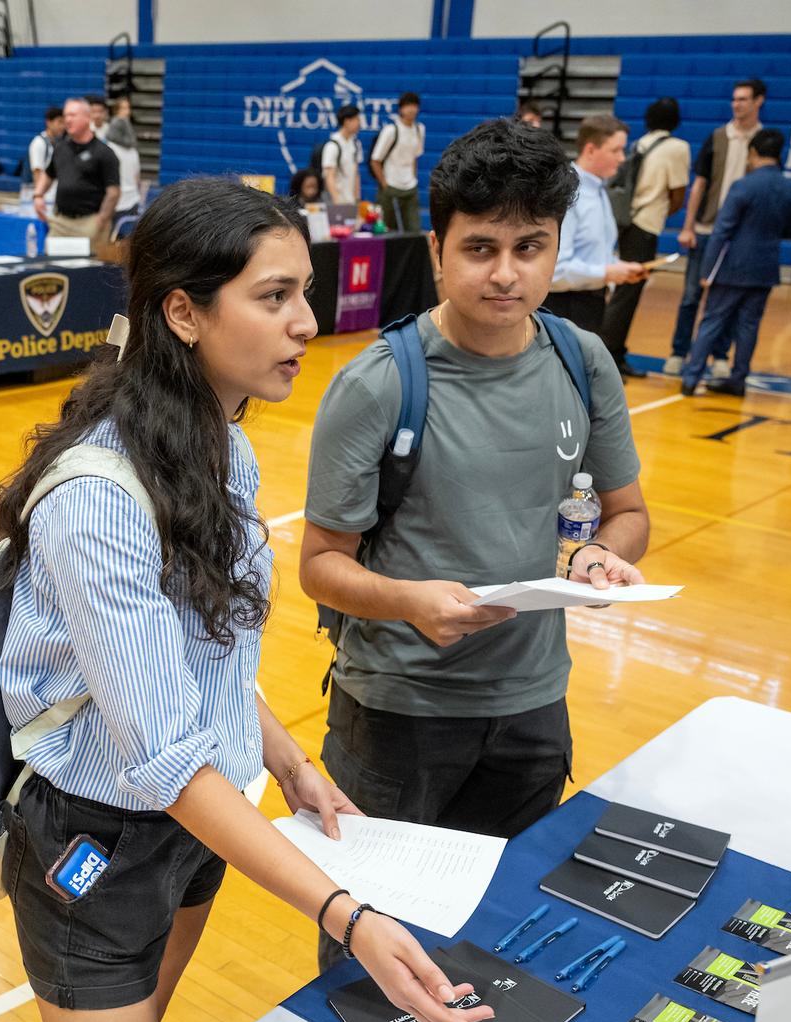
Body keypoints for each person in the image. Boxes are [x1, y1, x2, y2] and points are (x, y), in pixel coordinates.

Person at [0, 176, 501, 1022]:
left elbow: (205, 658)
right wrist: (347, 917)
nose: (307, 322)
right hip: (97, 845)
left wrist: (290, 760)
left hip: (196, 829)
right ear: (183, 312)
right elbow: (165, 759)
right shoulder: (97, 501)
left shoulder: (224, 448)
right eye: (273, 296)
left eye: (306, 291)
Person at [299, 120, 648, 972]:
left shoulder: (582, 360)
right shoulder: (379, 383)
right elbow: (319, 566)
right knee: (371, 953)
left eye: (530, 248)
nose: (505, 274)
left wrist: (597, 556)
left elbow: (629, 512)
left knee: (500, 937)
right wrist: (409, 602)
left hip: (532, 706)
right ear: (438, 249)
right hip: (399, 715)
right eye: (480, 248)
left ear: (557, 247)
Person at [680, 130, 791, 397]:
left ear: (753, 153)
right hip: (766, 267)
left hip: (732, 267)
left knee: (712, 321)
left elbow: (722, 230)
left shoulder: (743, 186)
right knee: (749, 326)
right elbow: (790, 231)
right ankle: (738, 379)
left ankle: (691, 378)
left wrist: (707, 270)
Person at [667, 78, 767, 378]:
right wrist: (688, 226)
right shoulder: (718, 137)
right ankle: (678, 351)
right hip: (707, 229)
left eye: (743, 99)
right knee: (690, 296)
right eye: (734, 99)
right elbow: (699, 184)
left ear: (758, 101)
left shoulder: (764, 141)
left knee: (728, 301)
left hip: (740, 237)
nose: (737, 105)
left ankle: (720, 355)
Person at [598, 97, 690, 379]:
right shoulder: (678, 147)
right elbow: (678, 194)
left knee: (623, 291)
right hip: (646, 224)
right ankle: (609, 356)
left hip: (625, 218)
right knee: (627, 293)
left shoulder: (641, 142)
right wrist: (662, 211)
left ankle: (613, 352)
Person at [547, 114, 647, 333]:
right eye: (615, 150)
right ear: (591, 150)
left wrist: (619, 267)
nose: (622, 158)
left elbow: (594, 252)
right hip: (566, 306)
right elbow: (556, 269)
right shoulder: (569, 193)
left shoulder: (598, 189)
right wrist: (606, 272)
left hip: (590, 302)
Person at [33, 97, 119, 241]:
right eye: (66, 115)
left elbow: (113, 192)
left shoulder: (104, 153)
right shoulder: (60, 147)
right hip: (60, 222)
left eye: (72, 115)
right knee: (50, 256)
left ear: (87, 118)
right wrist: (38, 195)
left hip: (89, 224)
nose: (67, 120)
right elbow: (48, 174)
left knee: (91, 257)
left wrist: (101, 220)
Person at [369, 92, 426, 233]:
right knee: (387, 230)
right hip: (390, 186)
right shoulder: (391, 130)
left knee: (414, 230)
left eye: (414, 105)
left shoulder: (419, 129)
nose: (411, 109)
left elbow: (415, 157)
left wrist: (413, 178)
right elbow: (375, 160)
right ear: (401, 109)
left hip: (410, 187)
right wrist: (384, 184)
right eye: (407, 106)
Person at [321, 104, 364, 207]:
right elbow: (329, 176)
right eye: (357, 120)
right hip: (336, 202)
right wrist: (336, 201)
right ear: (347, 121)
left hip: (351, 201)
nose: (359, 123)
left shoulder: (356, 144)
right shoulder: (332, 145)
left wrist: (357, 198)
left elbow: (356, 173)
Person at [28, 104, 64, 206]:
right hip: (46, 198)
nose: (63, 126)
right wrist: (40, 196)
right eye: (59, 122)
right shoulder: (38, 143)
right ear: (49, 122)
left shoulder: (61, 143)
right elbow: (37, 172)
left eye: (64, 123)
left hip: (56, 197)